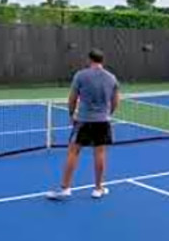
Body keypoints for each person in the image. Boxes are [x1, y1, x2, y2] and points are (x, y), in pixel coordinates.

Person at [46, 49, 120, 200]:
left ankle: (65, 188)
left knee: (73, 152)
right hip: (102, 121)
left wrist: (71, 114)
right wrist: (108, 114)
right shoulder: (112, 78)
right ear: (102, 60)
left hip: (83, 121)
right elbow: (116, 101)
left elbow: (72, 98)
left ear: (89, 59)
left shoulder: (81, 75)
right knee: (99, 153)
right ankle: (98, 189)